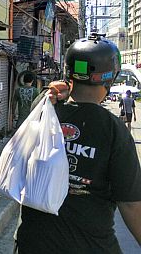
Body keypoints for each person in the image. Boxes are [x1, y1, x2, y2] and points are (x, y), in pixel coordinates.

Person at [15, 34, 141, 253]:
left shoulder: (43, 109)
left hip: (31, 243)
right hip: (90, 246)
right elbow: (130, 204)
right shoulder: (113, 130)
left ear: (68, 72)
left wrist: (61, 91)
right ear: (110, 79)